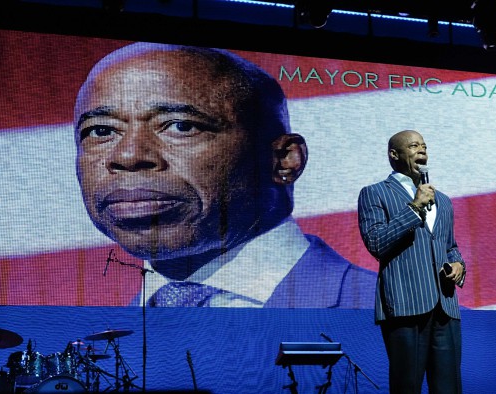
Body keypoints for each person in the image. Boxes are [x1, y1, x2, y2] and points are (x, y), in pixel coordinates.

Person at [73, 42, 375, 308]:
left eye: (181, 126)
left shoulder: (397, 317)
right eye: (101, 131)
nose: (127, 156)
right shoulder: (89, 348)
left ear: (284, 160)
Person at [357, 129, 467, 393]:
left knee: (449, 388)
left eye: (425, 146)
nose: (422, 151)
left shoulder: (442, 200)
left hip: (445, 305)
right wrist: (415, 208)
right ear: (394, 155)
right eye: (414, 146)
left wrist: (459, 265)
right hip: (406, 304)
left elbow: (449, 245)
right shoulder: (374, 193)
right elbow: (376, 243)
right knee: (407, 387)